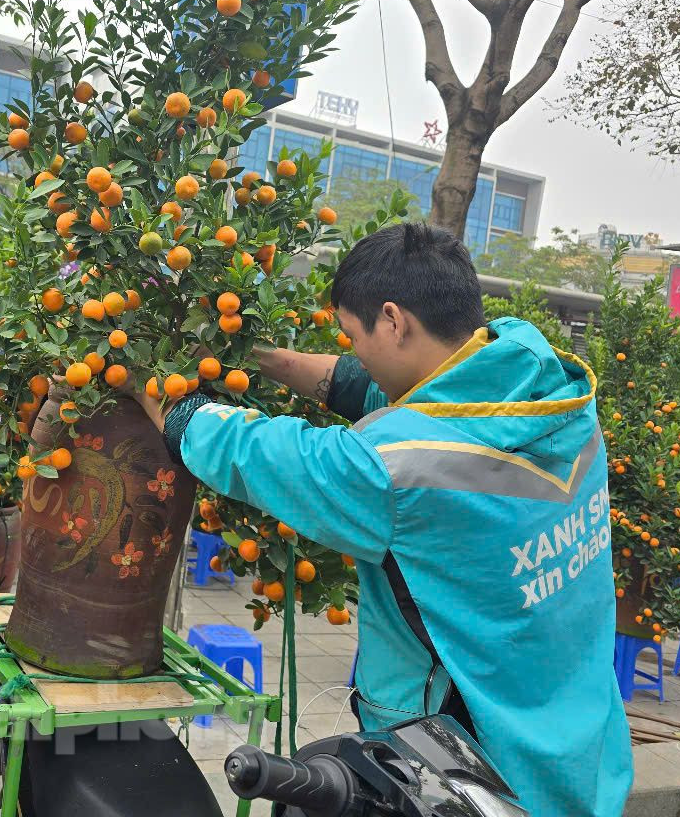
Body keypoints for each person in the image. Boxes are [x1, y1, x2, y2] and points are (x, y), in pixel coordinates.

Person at [135, 223, 633, 817]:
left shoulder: (401, 468)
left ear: (393, 320)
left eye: (352, 335)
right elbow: (390, 393)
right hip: (579, 748)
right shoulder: (544, 384)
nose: (353, 354)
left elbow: (268, 454)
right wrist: (258, 357)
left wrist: (163, 396)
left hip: (469, 769)